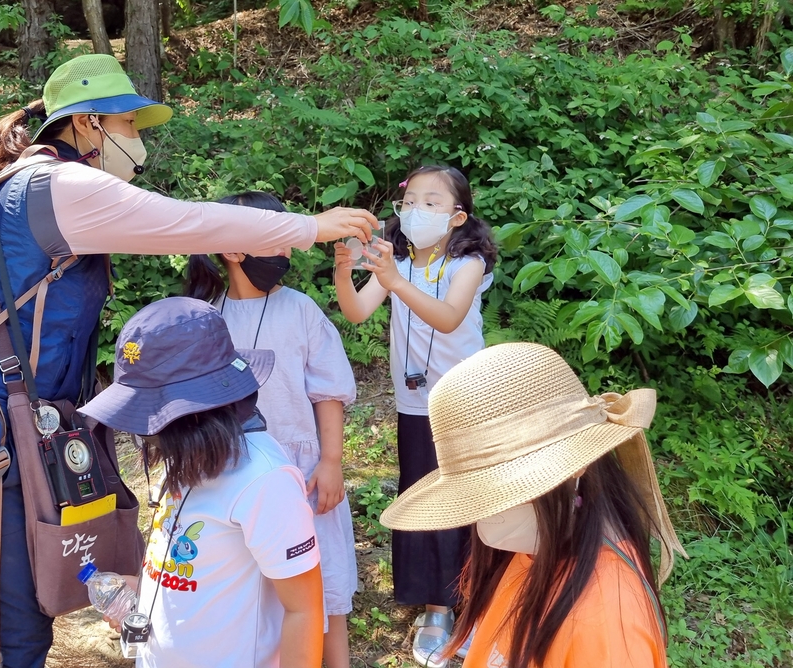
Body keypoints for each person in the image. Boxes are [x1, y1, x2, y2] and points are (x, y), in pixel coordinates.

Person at [0, 54, 377, 668]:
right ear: (89, 124)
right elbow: (186, 222)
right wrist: (307, 226)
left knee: (22, 627)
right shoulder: (57, 187)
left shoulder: (22, 188)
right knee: (6, 642)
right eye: (129, 125)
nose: (138, 144)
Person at [379, 342, 687, 667]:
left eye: (487, 490)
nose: (471, 514)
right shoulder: (533, 551)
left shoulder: (604, 623)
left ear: (569, 470)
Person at [79, 297, 325, 668]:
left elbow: (303, 610)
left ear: (194, 414)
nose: (148, 435)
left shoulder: (265, 480)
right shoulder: (184, 460)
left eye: (153, 417)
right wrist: (144, 591)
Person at [186, 191, 359, 668]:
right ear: (233, 250)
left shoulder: (300, 309)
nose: (286, 247)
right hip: (232, 479)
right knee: (261, 596)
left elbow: (329, 391)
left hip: (303, 476)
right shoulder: (205, 316)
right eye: (275, 236)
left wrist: (330, 462)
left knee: (324, 593)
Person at [334, 165, 497, 667]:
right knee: (424, 497)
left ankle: (480, 601)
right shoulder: (396, 262)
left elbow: (448, 317)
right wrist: (345, 269)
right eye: (412, 202)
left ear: (457, 217)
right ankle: (437, 607)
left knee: (470, 499)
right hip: (415, 405)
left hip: (464, 402)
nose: (418, 211)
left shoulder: (466, 263)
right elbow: (357, 312)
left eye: (433, 202)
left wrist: (393, 281)